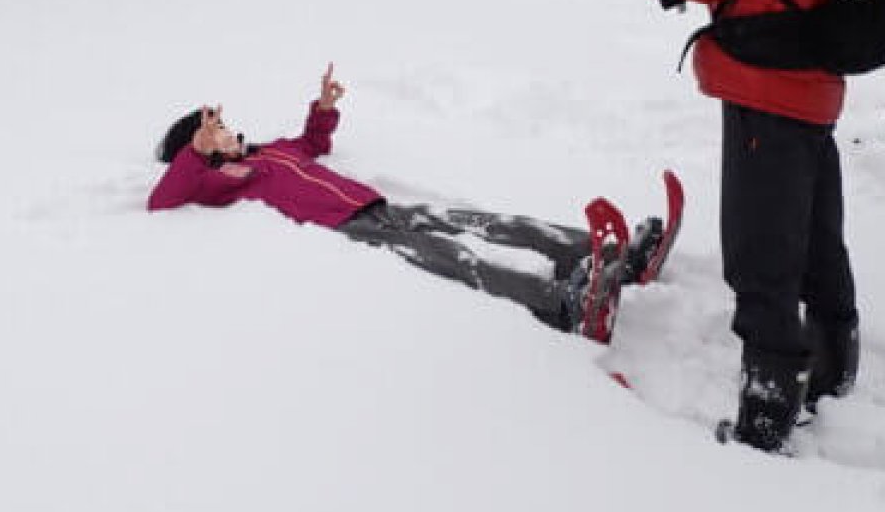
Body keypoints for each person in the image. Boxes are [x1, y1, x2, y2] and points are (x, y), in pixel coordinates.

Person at [601, 0, 858, 453]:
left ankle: (765, 416)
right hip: (804, 81)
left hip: (767, 87)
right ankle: (835, 363)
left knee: (760, 256)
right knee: (812, 237)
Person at [150, 65, 677, 345]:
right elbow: (164, 200)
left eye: (218, 124)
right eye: (211, 129)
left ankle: (606, 255)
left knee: (481, 224)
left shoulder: (269, 150)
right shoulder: (221, 181)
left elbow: (312, 144)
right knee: (451, 256)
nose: (222, 129)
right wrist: (195, 154)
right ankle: (561, 305)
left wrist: (324, 109)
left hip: (374, 205)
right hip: (350, 230)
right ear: (196, 148)